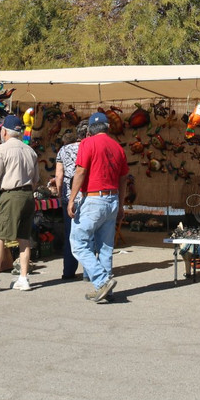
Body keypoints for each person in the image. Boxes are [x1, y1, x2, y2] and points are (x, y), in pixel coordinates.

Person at [68, 112, 128, 303]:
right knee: (105, 247)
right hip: (112, 199)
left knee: (78, 243)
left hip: (94, 199)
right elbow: (124, 178)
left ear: (90, 130)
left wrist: (71, 199)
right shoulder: (118, 147)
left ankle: (102, 281)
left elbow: (81, 171)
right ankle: (105, 289)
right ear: (108, 128)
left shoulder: (88, 143)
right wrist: (121, 204)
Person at [0, 114, 39, 292]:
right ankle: (23, 278)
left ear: (4, 131)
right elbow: (36, 180)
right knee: (24, 238)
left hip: (10, 193)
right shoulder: (30, 151)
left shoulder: (2, 150)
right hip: (28, 195)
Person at [53, 121, 88, 280]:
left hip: (69, 196)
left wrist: (60, 193)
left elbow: (59, 175)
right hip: (87, 195)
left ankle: (68, 271)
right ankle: (89, 273)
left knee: (70, 234)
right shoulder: (90, 148)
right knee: (89, 234)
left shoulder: (64, 150)